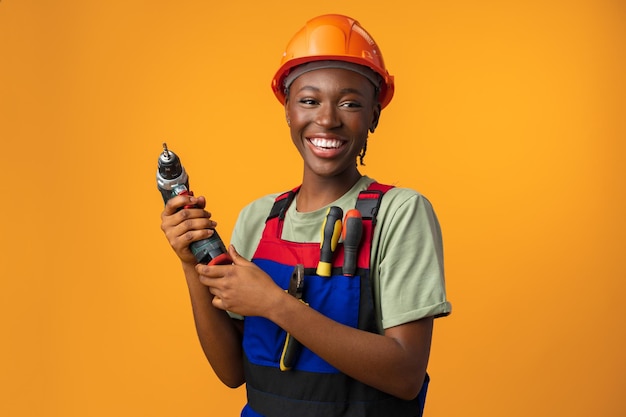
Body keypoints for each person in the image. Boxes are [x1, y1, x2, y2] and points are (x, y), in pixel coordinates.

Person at [160, 14, 451, 417]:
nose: (327, 119)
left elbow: (405, 375)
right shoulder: (258, 219)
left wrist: (276, 304)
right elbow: (231, 372)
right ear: (288, 111)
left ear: (374, 116)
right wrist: (191, 264)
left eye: (350, 103)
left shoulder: (399, 213)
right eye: (309, 100)